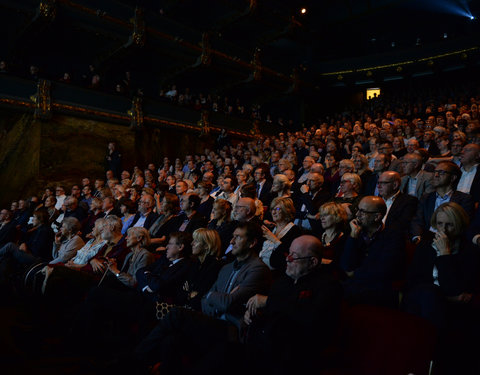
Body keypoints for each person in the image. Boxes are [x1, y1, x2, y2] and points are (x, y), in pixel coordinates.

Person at [134, 222, 272, 374]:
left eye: (237, 237)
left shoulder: (258, 269)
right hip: (210, 320)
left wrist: (212, 296)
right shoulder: (226, 268)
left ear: (252, 243)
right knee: (171, 340)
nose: (231, 242)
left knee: (177, 314)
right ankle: (139, 363)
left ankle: (135, 360)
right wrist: (214, 297)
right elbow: (204, 300)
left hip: (230, 329)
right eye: (232, 237)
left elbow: (226, 303)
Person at [243, 235, 343, 375]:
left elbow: (309, 319)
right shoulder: (283, 281)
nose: (287, 259)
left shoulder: (328, 286)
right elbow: (270, 310)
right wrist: (254, 313)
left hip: (296, 354)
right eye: (288, 253)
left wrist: (268, 302)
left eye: (294, 256)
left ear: (312, 262)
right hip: (265, 346)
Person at [404, 202, 480, 329]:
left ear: (460, 225)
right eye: (440, 224)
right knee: (429, 294)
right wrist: (448, 297)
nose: (444, 230)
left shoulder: (470, 252)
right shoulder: (425, 247)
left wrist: (445, 254)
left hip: (450, 308)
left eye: (449, 225)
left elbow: (456, 289)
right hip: (423, 299)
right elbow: (413, 283)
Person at [341, 196, 406, 307]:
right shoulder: (354, 231)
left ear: (377, 217)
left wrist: (354, 273)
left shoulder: (393, 236)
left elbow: (384, 270)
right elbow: (346, 265)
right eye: (358, 210)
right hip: (355, 285)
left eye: (363, 212)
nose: (357, 215)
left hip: (379, 288)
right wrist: (353, 237)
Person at [410, 161, 474, 242]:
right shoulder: (426, 197)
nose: (436, 175)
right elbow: (418, 220)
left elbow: (463, 225)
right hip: (427, 239)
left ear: (453, 178)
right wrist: (417, 237)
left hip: (451, 240)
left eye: (441, 172)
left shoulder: (465, 199)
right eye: (435, 172)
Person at [260, 197, 302, 271]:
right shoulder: (272, 228)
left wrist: (274, 239)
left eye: (278, 209)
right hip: (261, 269)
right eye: (273, 209)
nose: (273, 212)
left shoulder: (295, 231)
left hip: (277, 272)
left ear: (287, 211)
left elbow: (288, 255)